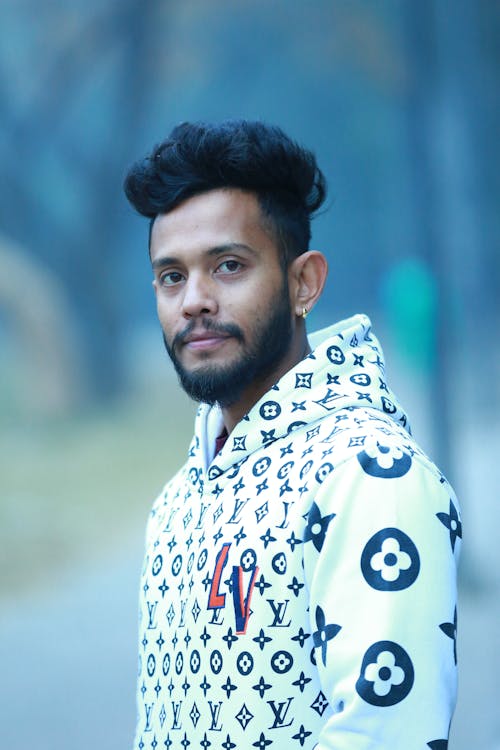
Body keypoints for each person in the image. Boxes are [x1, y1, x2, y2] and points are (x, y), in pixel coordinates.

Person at [123, 120, 461, 750]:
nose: (193, 300)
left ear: (304, 283)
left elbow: (388, 734)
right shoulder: (177, 500)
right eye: (171, 276)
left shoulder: (369, 476)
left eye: (227, 266)